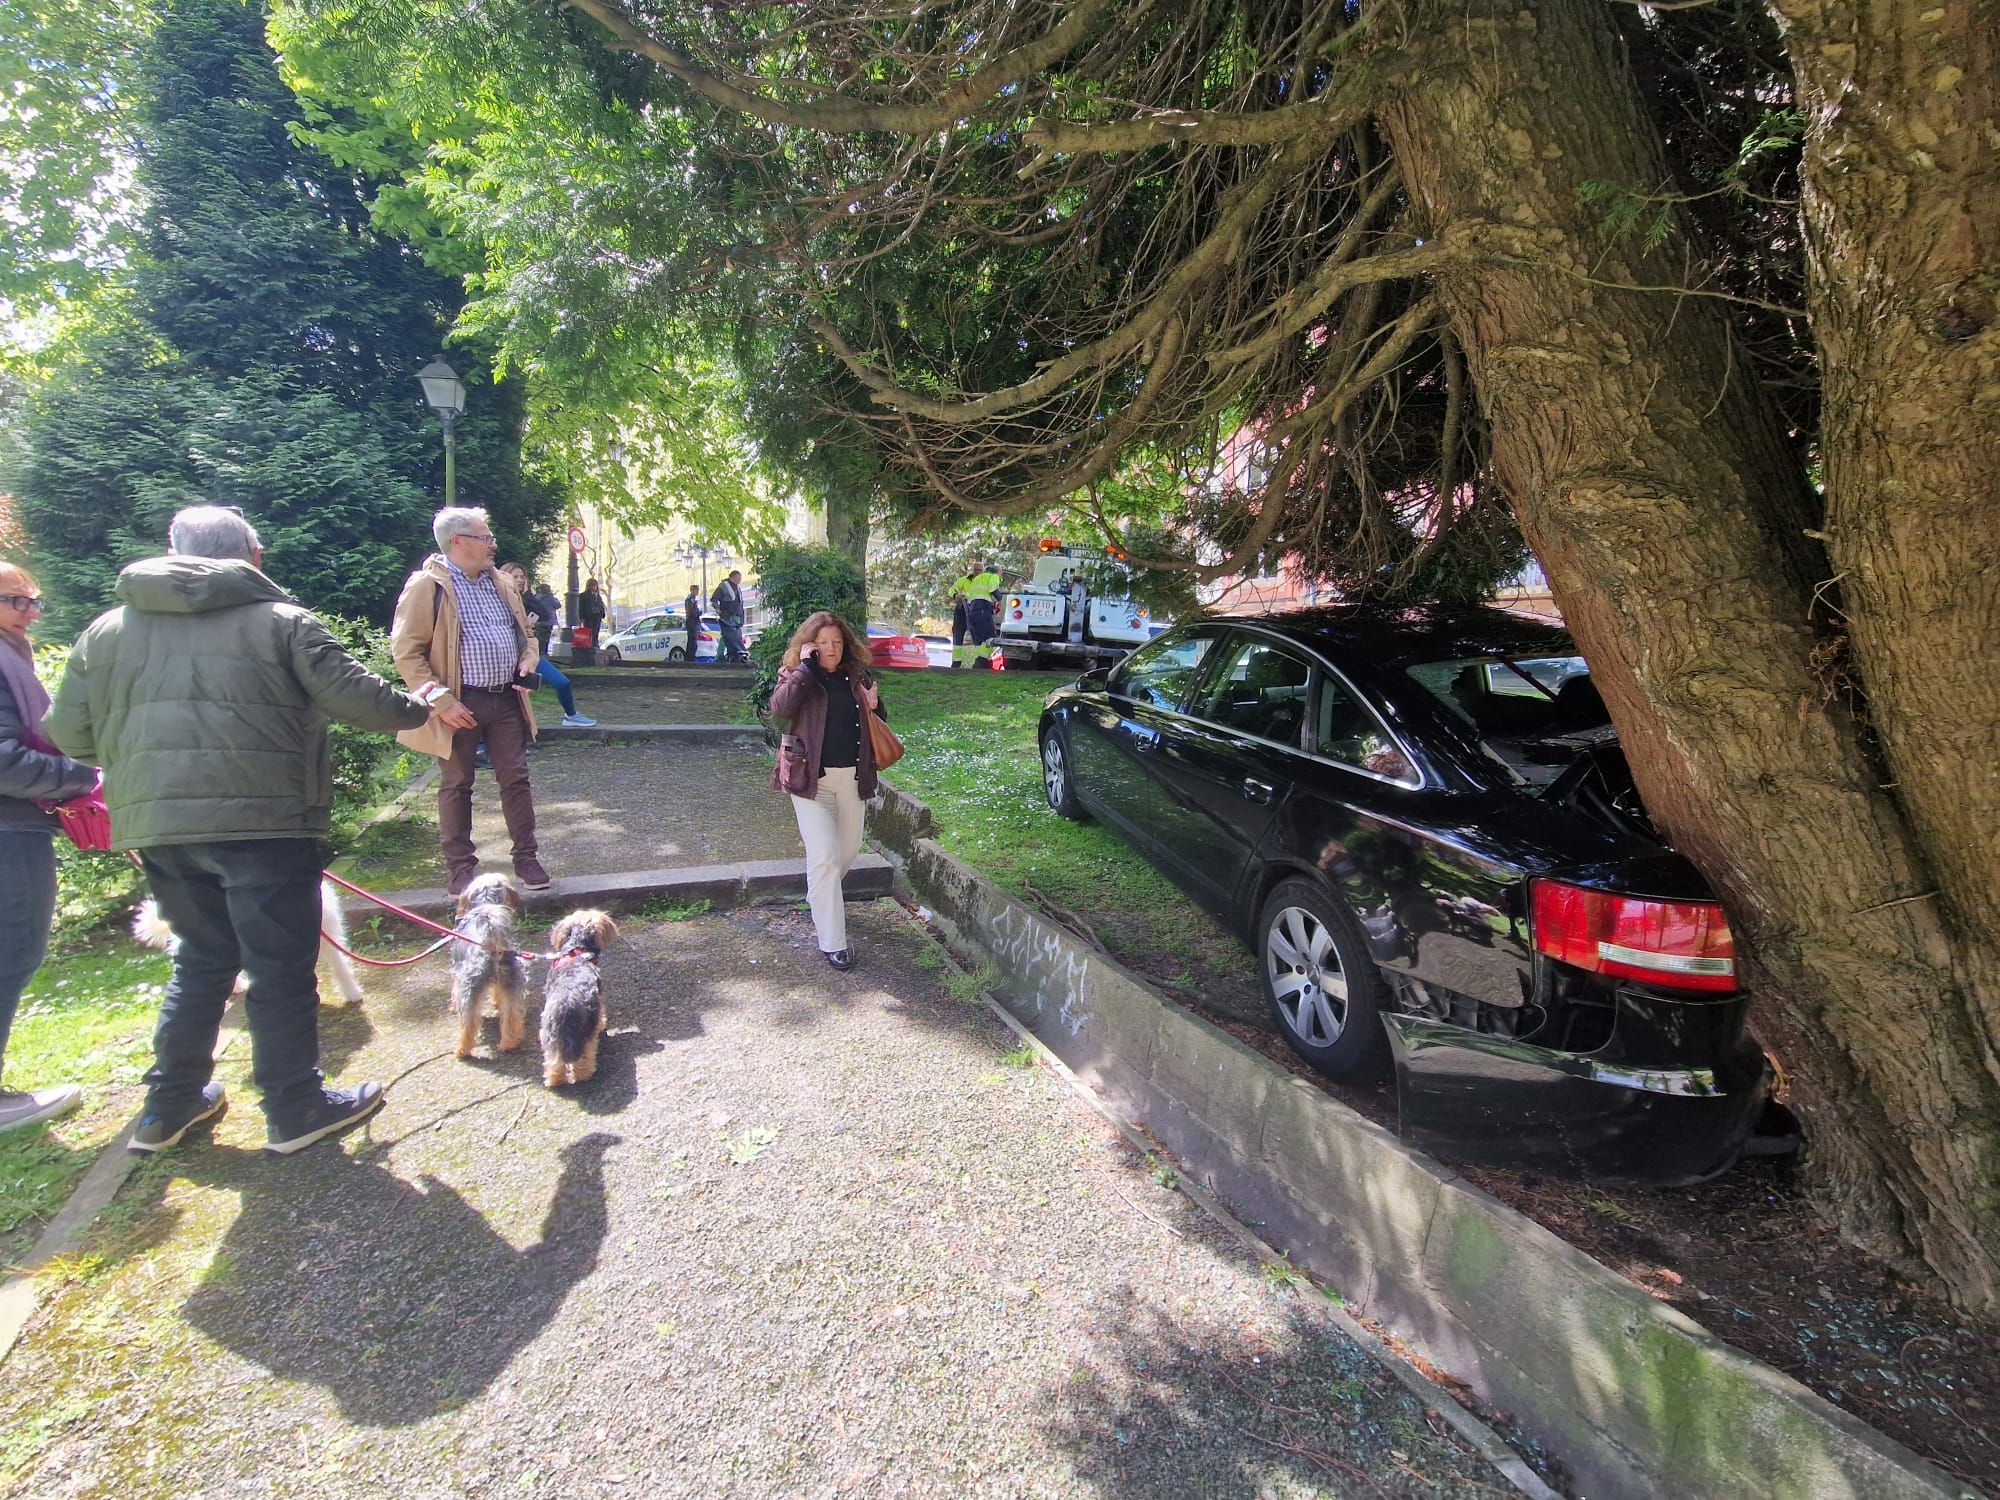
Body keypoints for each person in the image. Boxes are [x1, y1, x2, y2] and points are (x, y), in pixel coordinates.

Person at [45, 508, 439, 1155]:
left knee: (200, 960)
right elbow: (359, 699)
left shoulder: (105, 632)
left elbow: (69, 736)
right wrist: (423, 706)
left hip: (160, 829)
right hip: (266, 823)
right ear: (253, 555)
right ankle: (295, 1108)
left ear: (173, 551)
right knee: (280, 966)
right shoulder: (282, 622)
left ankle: (167, 1109)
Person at [391, 507, 550, 896]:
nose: (493, 544)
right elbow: (407, 652)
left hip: (506, 700)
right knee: (457, 783)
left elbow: (526, 635)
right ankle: (461, 868)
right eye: (486, 537)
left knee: (516, 779)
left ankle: (526, 859)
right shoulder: (427, 586)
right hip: (458, 704)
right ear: (457, 542)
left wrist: (529, 659)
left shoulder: (502, 583)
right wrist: (441, 700)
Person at [0, 562, 98, 1134]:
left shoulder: (11, 653)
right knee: (13, 951)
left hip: (18, 824)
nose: (34, 614)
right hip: (9, 829)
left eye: (36, 601)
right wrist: (83, 777)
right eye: (19, 602)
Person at [768, 611, 888, 971]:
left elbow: (878, 718)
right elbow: (780, 709)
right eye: (823, 643)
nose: (831, 649)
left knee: (846, 853)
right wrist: (806, 670)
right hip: (810, 782)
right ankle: (834, 943)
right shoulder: (796, 675)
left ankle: (819, 896)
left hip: (853, 779)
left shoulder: (857, 676)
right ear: (810, 645)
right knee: (824, 857)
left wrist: (875, 705)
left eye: (837, 642)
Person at [501, 563, 595, 728]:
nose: (520, 580)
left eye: (522, 577)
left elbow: (543, 612)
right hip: (506, 656)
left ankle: (571, 715)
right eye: (515, 576)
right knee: (511, 700)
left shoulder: (526, 599)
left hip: (528, 653)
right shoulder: (496, 599)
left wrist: (526, 595)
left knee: (562, 682)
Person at [949, 556, 1002, 667]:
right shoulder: (989, 577)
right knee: (988, 635)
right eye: (976, 569)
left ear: (983, 570)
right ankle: (973, 661)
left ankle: (981, 662)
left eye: (980, 570)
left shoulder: (979, 579)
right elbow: (993, 590)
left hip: (973, 609)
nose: (977, 572)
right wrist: (955, 595)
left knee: (978, 637)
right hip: (967, 610)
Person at [713, 569, 749, 663]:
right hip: (727, 615)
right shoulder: (724, 586)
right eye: (739, 577)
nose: (740, 580)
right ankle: (722, 655)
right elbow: (714, 598)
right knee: (729, 635)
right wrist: (717, 608)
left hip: (737, 616)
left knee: (730, 636)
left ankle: (731, 655)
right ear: (734, 577)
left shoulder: (737, 588)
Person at [579, 579, 607, 648]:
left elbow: (601, 605)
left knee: (596, 632)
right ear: (588, 586)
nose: (594, 587)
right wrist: (582, 617)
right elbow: (581, 607)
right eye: (592, 585)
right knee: (588, 632)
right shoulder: (583, 595)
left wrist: (602, 614)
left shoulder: (598, 596)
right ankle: (588, 647)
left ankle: (595, 645)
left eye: (595, 585)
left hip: (597, 617)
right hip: (588, 617)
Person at [684, 584, 703, 664]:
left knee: (691, 642)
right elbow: (692, 612)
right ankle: (690, 659)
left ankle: (689, 658)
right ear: (692, 590)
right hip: (692, 622)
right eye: (696, 590)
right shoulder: (690, 599)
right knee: (692, 642)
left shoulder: (692, 599)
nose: (697, 592)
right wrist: (699, 613)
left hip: (692, 622)